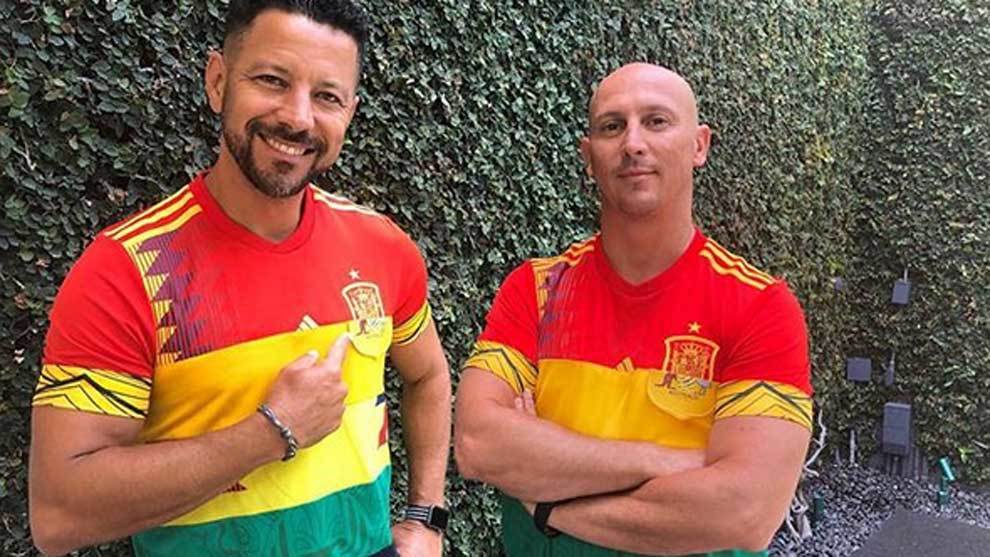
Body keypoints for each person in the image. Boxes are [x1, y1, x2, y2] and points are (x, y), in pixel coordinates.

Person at [28, 2, 451, 556]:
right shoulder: (128, 270)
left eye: (327, 96)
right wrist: (271, 431)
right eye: (272, 80)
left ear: (349, 112)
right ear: (218, 81)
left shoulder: (382, 246)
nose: (298, 118)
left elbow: (429, 376)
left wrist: (425, 517)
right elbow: (59, 516)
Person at [454, 63, 813, 557]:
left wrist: (547, 505)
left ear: (700, 145)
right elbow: (478, 444)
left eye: (657, 121)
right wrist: (661, 461)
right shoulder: (536, 290)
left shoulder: (760, 306)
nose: (633, 144)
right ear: (588, 157)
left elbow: (744, 512)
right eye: (612, 126)